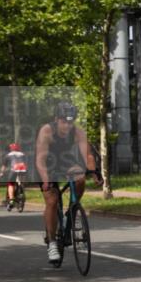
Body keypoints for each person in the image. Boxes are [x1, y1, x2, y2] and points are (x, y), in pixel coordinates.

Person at [35, 102, 100, 263]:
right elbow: (40, 159)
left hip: (65, 162)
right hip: (46, 165)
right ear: (56, 119)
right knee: (52, 200)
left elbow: (88, 156)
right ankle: (51, 243)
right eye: (64, 121)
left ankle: (70, 212)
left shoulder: (78, 132)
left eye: (71, 122)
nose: (67, 125)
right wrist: (45, 180)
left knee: (80, 178)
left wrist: (94, 172)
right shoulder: (46, 131)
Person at [0, 142, 28, 210]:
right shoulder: (23, 154)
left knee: (10, 184)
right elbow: (26, 163)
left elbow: (4, 166)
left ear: (11, 149)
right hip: (23, 169)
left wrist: (2, 173)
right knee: (21, 182)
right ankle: (22, 191)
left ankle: (11, 200)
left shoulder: (8, 155)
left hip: (14, 170)